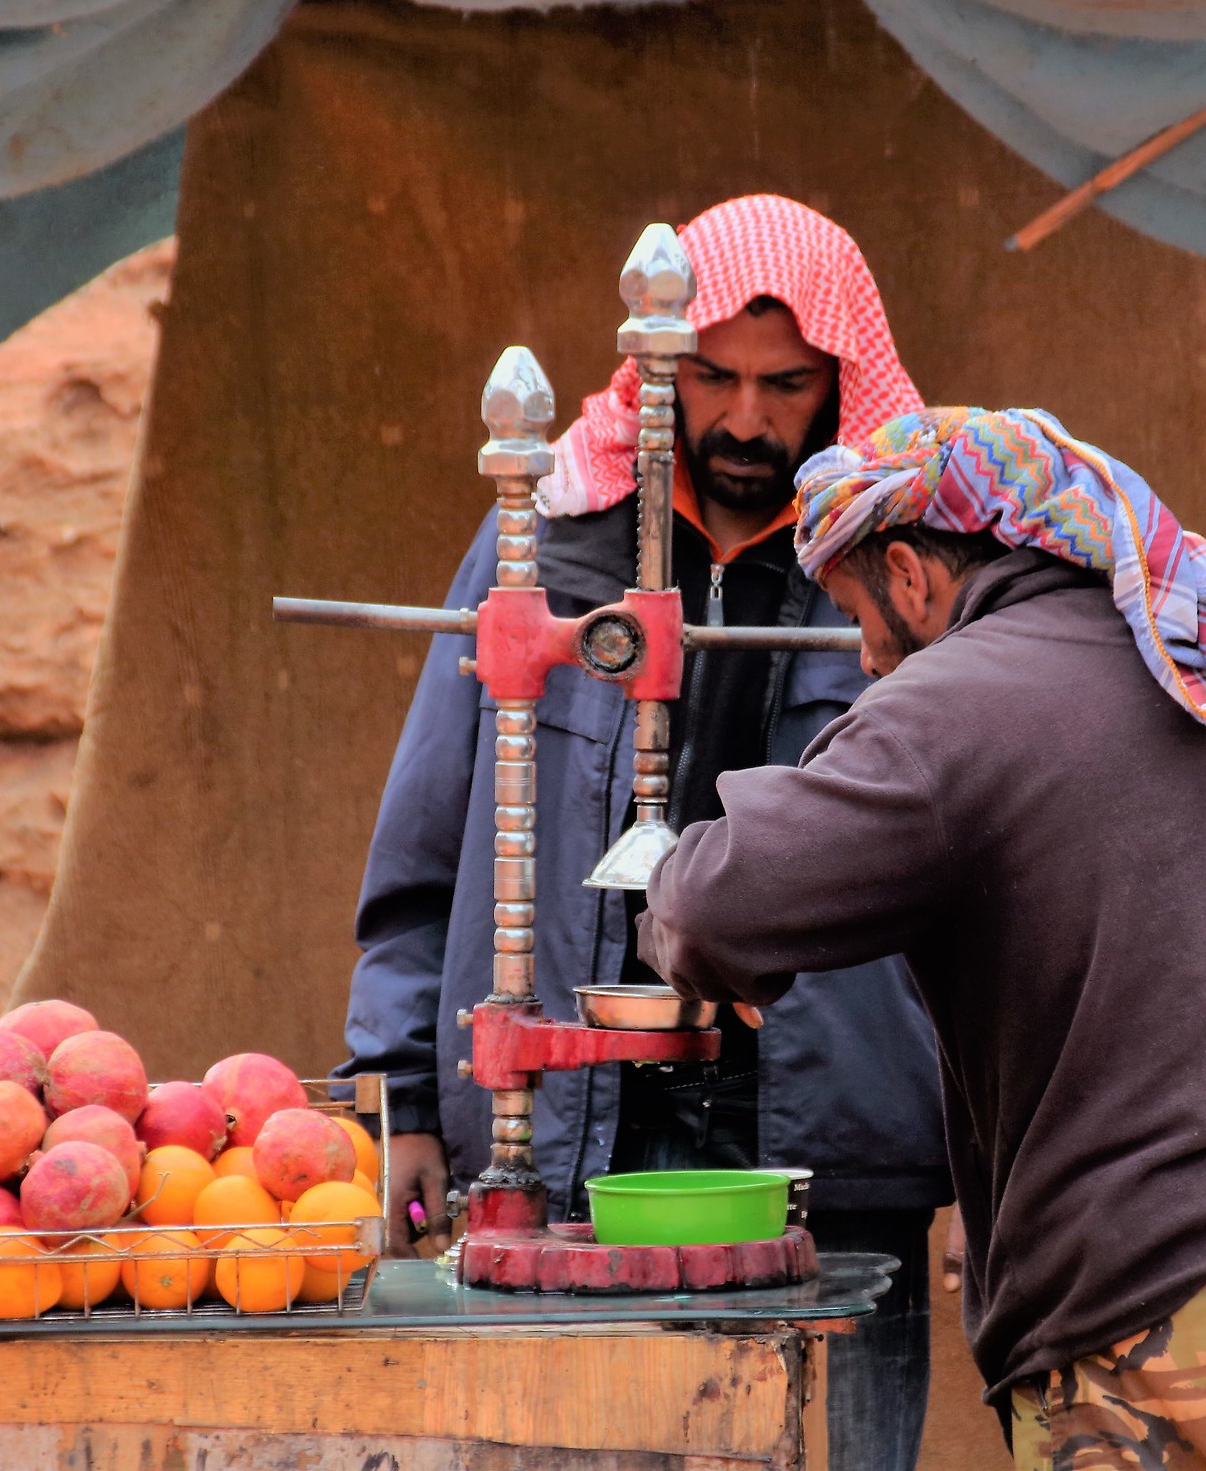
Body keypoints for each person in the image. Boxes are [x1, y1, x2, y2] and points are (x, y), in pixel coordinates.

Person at [640, 408, 1206, 1471]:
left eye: (856, 612)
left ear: (910, 574)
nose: (869, 656)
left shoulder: (959, 700)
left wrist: (682, 893)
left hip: (1154, 1302)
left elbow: (713, 903)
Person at [342, 196, 949, 1471]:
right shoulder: (543, 544)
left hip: (835, 1148)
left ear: (842, 381)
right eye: (713, 377)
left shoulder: (912, 565)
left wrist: (978, 1159)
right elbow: (431, 844)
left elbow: (986, 878)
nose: (744, 420)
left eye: (786, 385)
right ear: (653, 372)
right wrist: (393, 1091)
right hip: (572, 1138)